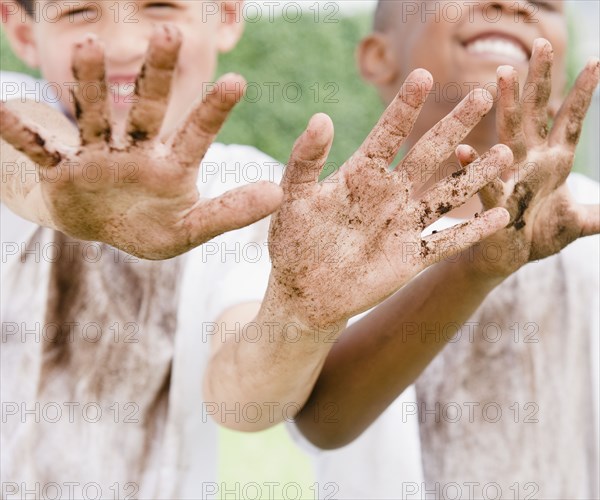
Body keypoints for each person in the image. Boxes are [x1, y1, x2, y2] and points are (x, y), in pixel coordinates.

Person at [0, 0, 510, 497]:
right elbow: (15, 142)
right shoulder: (17, 116)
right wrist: (54, 193)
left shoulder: (245, 190)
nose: (125, 45)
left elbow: (242, 402)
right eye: (79, 12)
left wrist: (303, 315)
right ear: (22, 34)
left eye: (160, 7)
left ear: (224, 16)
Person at [291, 1, 600, 499]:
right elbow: (322, 422)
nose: (510, 3)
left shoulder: (588, 221)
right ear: (378, 57)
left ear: (559, 73)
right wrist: (478, 266)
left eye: (544, 1)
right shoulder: (336, 232)